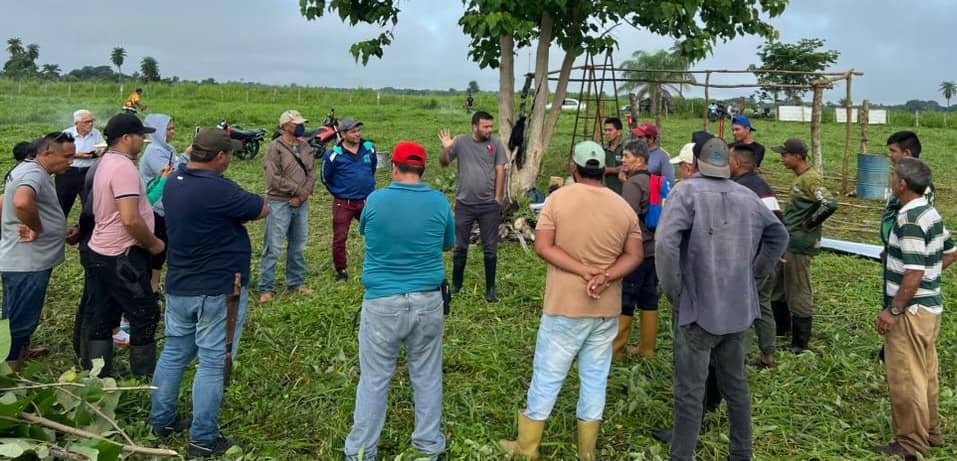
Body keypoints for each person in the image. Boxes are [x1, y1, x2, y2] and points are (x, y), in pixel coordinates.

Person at [499, 141, 643, 460]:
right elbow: (635, 255)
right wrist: (604, 275)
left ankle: (527, 447)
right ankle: (587, 451)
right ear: (603, 170)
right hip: (606, 308)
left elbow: (544, 247)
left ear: (573, 168)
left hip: (565, 306)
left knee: (548, 372)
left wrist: (583, 269)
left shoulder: (557, 200)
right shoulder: (622, 207)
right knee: (595, 376)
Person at [655, 137, 788, 461]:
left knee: (690, 391)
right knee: (737, 387)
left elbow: (665, 245)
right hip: (738, 309)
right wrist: (753, 275)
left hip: (699, 310)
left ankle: (682, 455)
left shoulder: (685, 193)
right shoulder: (746, 196)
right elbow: (779, 235)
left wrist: (674, 291)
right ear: (727, 163)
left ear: (697, 163)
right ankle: (742, 453)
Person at [150, 127, 268, 458]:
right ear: (219, 157)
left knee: (174, 352)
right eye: (228, 153)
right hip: (218, 289)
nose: (230, 157)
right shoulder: (219, 189)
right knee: (213, 363)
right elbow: (261, 208)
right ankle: (202, 438)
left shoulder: (174, 182)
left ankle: (161, 422)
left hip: (180, 284)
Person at [343, 142, 455, 461]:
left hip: (382, 302)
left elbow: (366, 231)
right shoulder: (438, 202)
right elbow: (448, 244)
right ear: (423, 169)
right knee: (427, 375)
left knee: (375, 378)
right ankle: (428, 448)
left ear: (394, 167)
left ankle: (361, 452)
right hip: (428, 301)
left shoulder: (376, 200)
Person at [874, 158, 956, 460]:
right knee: (926, 374)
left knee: (907, 378)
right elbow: (950, 251)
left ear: (902, 184)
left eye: (893, 176)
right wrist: (928, 279)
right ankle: (930, 431)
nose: (891, 180)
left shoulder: (908, 218)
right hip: (929, 308)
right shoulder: (930, 212)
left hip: (910, 312)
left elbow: (914, 272)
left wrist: (893, 310)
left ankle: (910, 444)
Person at [85, 113, 163, 378]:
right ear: (127, 138)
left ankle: (97, 373)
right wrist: (153, 243)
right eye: (141, 135)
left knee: (104, 312)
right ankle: (144, 377)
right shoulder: (124, 168)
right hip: (123, 255)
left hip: (101, 249)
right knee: (145, 312)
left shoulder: (105, 161)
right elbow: (130, 218)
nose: (144, 140)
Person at [0, 132, 75, 369]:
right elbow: (22, 202)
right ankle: (12, 368)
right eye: (66, 157)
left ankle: (19, 351)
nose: (70, 161)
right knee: (22, 317)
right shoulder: (33, 173)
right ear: (46, 153)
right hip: (28, 263)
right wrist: (36, 228)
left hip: (21, 260)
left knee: (12, 312)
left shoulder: (31, 169)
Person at [772, 138, 837, 354]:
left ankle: (800, 343)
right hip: (789, 240)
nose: (781, 158)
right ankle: (782, 331)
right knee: (781, 287)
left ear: (798, 157)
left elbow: (829, 203)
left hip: (799, 244)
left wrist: (809, 224)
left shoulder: (810, 179)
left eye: (785, 154)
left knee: (798, 290)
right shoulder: (801, 178)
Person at [439, 111, 508, 302]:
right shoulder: (460, 142)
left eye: (490, 126)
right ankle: (456, 285)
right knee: (460, 246)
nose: (489, 130)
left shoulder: (495, 143)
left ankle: (491, 290)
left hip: (488, 205)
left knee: (490, 248)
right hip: (464, 204)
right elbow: (444, 163)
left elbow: (500, 169)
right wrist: (446, 148)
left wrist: (498, 198)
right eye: (485, 126)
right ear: (474, 127)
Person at [729, 142, 783, 368]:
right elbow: (779, 224)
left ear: (738, 164)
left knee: (745, 309)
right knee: (763, 304)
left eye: (729, 160)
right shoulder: (762, 186)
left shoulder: (739, 190)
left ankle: (738, 360)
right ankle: (768, 355)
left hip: (751, 259)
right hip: (770, 258)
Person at [259, 110, 317, 302]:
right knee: (273, 247)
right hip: (279, 202)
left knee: (298, 245)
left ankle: (297, 282)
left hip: (301, 203)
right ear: (285, 126)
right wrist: (298, 191)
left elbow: (311, 171)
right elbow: (273, 178)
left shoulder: (305, 145)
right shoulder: (275, 148)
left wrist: (304, 194)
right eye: (296, 124)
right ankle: (266, 288)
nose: (301, 127)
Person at [611, 139, 660, 360]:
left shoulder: (633, 184)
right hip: (654, 249)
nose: (623, 160)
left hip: (637, 249)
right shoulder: (656, 180)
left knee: (627, 297)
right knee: (649, 298)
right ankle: (647, 349)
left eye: (627, 157)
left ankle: (617, 350)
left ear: (640, 160)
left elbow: (626, 217)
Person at [321, 116, 376, 283]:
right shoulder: (333, 154)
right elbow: (325, 177)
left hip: (366, 201)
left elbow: (372, 168)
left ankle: (378, 264)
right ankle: (341, 270)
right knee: (340, 237)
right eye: (353, 132)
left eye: (359, 130)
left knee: (375, 232)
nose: (357, 134)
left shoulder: (369, 148)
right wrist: (339, 193)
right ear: (343, 134)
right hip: (343, 203)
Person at [139, 114, 187, 295]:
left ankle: (154, 284)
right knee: (157, 248)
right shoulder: (153, 151)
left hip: (166, 206)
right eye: (169, 129)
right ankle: (151, 286)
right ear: (158, 131)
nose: (172, 132)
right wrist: (187, 156)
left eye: (173, 128)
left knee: (164, 247)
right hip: (155, 208)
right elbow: (170, 174)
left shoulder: (168, 148)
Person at [57, 110, 104, 218]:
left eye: (92, 121)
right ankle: (58, 230)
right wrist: (77, 155)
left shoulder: (96, 134)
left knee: (89, 204)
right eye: (87, 122)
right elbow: (59, 153)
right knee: (63, 203)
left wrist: (99, 152)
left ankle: (86, 231)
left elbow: (102, 147)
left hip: (89, 171)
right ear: (77, 123)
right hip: (69, 172)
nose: (91, 124)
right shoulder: (66, 134)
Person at [602, 117, 625, 194]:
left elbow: (627, 167)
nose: (607, 133)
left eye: (610, 130)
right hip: (606, 191)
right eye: (605, 130)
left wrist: (608, 170)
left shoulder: (626, 147)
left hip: (622, 191)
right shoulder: (603, 148)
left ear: (619, 132)